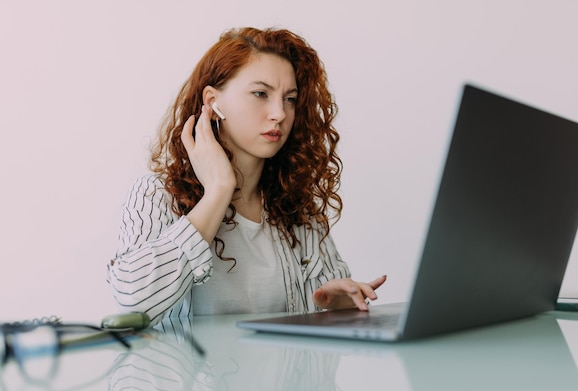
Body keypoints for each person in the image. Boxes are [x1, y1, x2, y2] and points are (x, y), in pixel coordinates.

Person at [106, 27, 386, 325]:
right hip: (187, 372)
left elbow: (322, 319)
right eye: (260, 94)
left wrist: (335, 303)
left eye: (289, 99)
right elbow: (133, 301)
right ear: (213, 102)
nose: (279, 113)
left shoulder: (297, 209)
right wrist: (218, 191)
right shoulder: (157, 195)